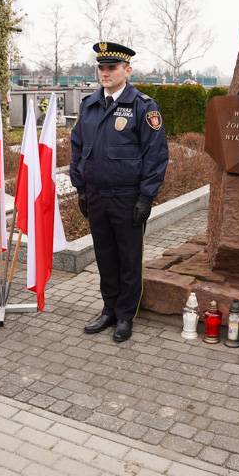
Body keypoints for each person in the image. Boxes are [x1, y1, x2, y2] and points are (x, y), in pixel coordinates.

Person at [70, 42, 169, 343]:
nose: (105, 72)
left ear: (127, 70)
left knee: (128, 259)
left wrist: (145, 197)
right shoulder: (89, 105)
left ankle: (126, 316)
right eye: (101, 67)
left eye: (112, 67)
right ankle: (109, 309)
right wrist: (82, 188)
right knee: (105, 256)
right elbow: (77, 148)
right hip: (97, 195)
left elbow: (156, 155)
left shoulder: (143, 106)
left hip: (127, 198)